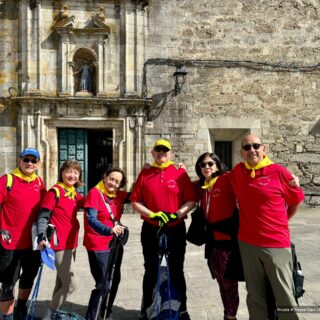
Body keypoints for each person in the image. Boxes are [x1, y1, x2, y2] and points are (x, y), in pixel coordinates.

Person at [230, 134, 304, 320]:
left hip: (276, 244)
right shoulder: (238, 172)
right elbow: (212, 178)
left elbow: (296, 200)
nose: (251, 150)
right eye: (247, 147)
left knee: (285, 296)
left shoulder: (279, 172)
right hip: (247, 244)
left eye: (256, 146)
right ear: (241, 152)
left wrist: (282, 222)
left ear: (264, 149)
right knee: (254, 296)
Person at [130, 139, 197, 320]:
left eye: (165, 150)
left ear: (171, 153)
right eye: (158, 150)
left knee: (177, 270)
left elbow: (191, 200)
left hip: (175, 228)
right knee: (150, 270)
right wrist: (152, 215)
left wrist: (177, 214)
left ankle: (182, 309)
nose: (161, 153)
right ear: (153, 153)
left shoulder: (180, 173)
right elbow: (135, 201)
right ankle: (147, 309)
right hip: (151, 228)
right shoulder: (145, 173)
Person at [0, 148, 46, 320]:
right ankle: (7, 316)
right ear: (19, 161)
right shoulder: (7, 180)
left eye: (34, 161)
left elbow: (46, 209)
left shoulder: (39, 183)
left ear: (38, 164)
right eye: (26, 159)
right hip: (9, 243)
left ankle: (20, 312)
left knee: (28, 279)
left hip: (32, 243)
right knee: (7, 284)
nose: (29, 163)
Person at [36, 160, 85, 319]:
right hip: (59, 245)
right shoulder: (55, 192)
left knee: (61, 283)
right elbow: (43, 215)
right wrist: (41, 236)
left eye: (76, 172)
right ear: (62, 173)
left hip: (71, 244)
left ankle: (53, 313)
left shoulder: (74, 194)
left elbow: (92, 203)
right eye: (69, 171)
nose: (72, 175)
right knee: (71, 284)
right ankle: (49, 314)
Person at [194, 152, 239, 320]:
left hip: (227, 239)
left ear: (218, 166)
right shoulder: (202, 185)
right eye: (203, 165)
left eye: (210, 164)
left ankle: (231, 315)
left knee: (229, 282)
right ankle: (227, 313)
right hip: (211, 239)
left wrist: (290, 181)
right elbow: (179, 186)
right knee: (220, 279)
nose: (206, 167)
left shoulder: (227, 178)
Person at [84, 168, 129, 320]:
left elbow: (140, 194)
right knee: (102, 283)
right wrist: (109, 230)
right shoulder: (94, 193)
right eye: (111, 179)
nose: (113, 183)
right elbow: (91, 219)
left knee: (114, 280)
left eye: (117, 181)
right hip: (97, 244)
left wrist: (146, 172)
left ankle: (105, 313)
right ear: (104, 177)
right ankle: (92, 316)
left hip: (114, 243)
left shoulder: (118, 195)